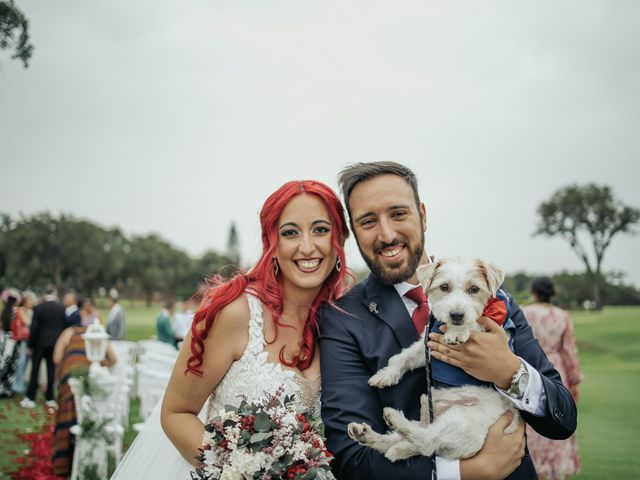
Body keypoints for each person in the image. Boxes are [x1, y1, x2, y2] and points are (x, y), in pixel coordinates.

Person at [319, 161, 577, 480]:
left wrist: (508, 370)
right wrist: (462, 472)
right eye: (368, 221)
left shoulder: (496, 301)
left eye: (399, 214)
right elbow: (350, 460)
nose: (386, 234)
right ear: (353, 231)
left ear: (423, 215)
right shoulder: (342, 319)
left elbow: (562, 419)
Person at [111, 179, 352, 479]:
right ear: (272, 244)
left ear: (339, 238)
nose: (307, 246)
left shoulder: (342, 320)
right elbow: (176, 413)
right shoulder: (236, 312)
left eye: (320, 229)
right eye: (290, 232)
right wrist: (236, 472)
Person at [522, 277, 581, 480]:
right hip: (556, 369)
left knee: (532, 421)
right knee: (556, 417)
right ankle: (555, 470)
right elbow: (570, 351)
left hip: (530, 367)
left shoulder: (524, 312)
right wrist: (574, 381)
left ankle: (532, 466)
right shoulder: (562, 316)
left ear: (535, 292)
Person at [51, 299, 117, 477]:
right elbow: (113, 359)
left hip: (69, 380)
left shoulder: (69, 332)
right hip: (90, 383)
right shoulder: (99, 335)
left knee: (67, 416)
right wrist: (97, 362)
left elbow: (57, 359)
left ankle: (64, 459)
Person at [21, 285, 67, 409]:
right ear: (55, 293)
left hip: (39, 344)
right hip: (55, 344)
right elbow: (64, 328)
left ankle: (31, 397)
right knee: (51, 371)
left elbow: (34, 328)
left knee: (34, 370)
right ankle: (50, 398)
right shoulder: (61, 308)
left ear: (44, 293)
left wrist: (30, 345)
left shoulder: (39, 307)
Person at [0, 289, 22, 397]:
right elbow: (17, 328)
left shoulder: (4, 311)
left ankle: (2, 388)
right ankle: (6, 389)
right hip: (12, 340)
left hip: (4, 339)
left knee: (3, 363)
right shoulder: (15, 312)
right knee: (10, 365)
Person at [13, 291, 35, 393]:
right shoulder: (21, 310)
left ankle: (20, 381)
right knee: (21, 361)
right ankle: (17, 384)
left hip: (29, 339)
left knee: (25, 361)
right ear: (25, 301)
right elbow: (28, 322)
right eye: (29, 300)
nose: (31, 302)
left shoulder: (30, 311)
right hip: (22, 339)